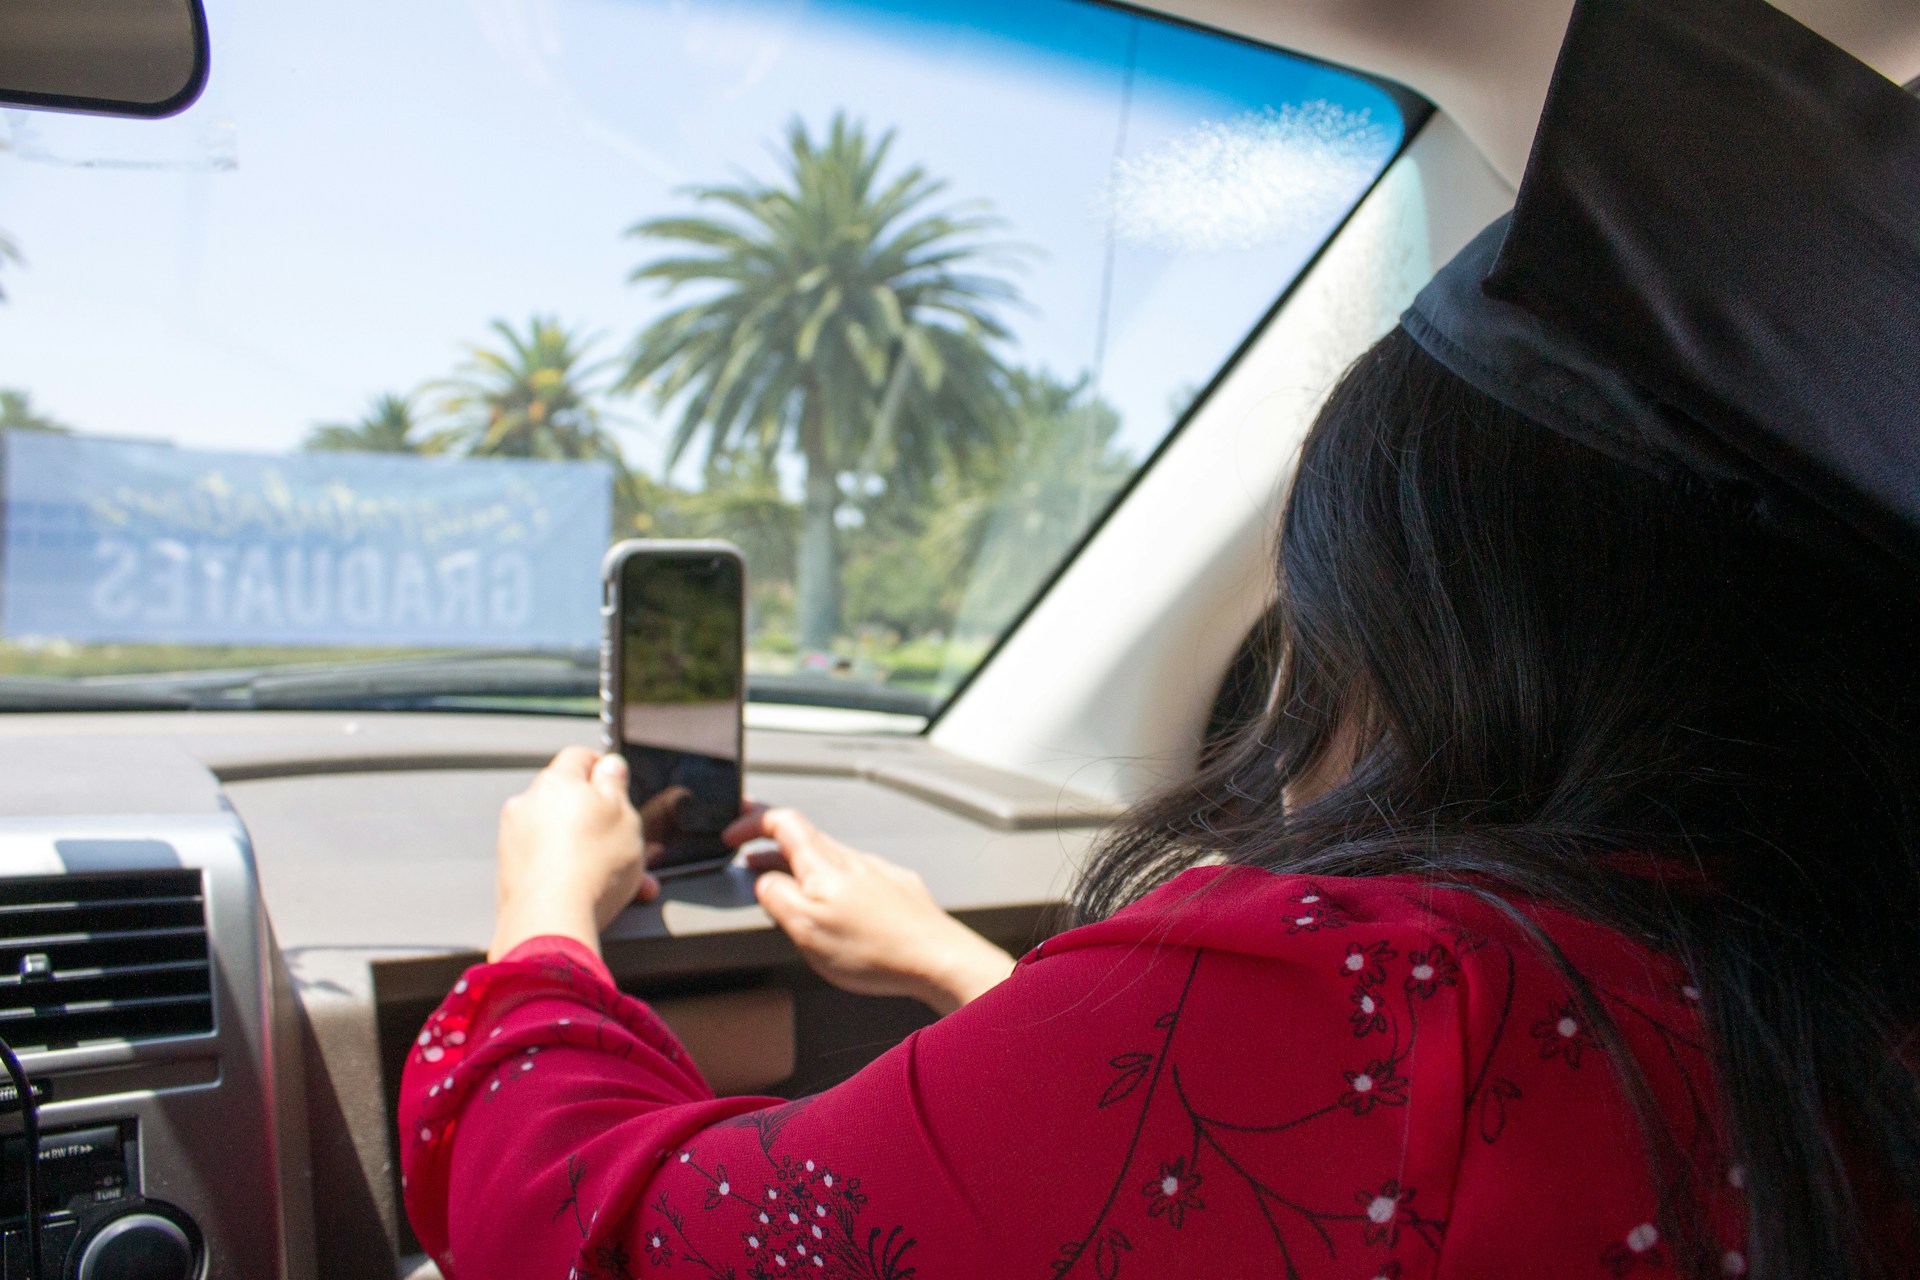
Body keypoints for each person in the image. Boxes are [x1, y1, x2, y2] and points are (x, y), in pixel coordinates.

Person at [398, 0, 1920, 1275]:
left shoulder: (1396, 994)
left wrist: (541, 934)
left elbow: (637, 1239)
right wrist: (952, 962)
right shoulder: (1831, 1007)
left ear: (1439, 626)